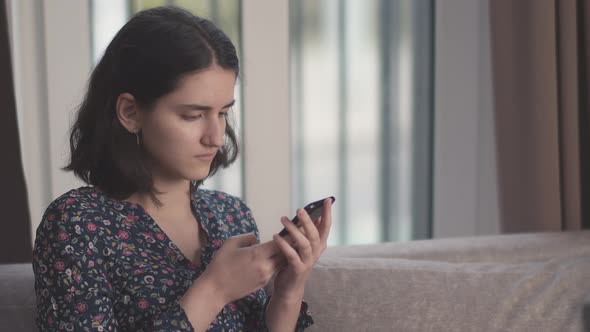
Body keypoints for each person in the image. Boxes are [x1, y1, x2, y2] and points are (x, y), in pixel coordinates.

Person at [32, 6, 332, 332]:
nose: (216, 137)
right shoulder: (77, 224)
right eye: (193, 115)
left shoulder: (231, 216)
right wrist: (214, 290)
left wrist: (288, 292)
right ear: (130, 112)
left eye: (222, 113)